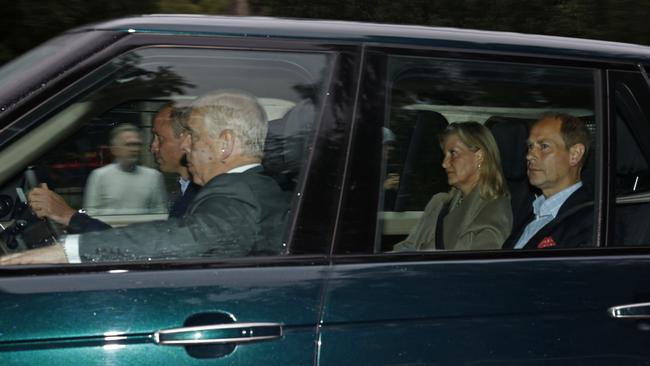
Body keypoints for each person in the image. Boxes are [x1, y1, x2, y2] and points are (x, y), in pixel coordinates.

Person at [1, 90, 289, 264]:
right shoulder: (252, 186)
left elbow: (191, 238)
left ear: (225, 144)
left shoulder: (239, 193)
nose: (186, 146)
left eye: (194, 136)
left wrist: (66, 252)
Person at [28, 104, 200, 233]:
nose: (152, 147)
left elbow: (150, 247)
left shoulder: (199, 198)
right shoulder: (186, 191)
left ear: (186, 141)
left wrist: (68, 216)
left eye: (160, 139)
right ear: (115, 149)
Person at [393, 122, 512, 251]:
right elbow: (407, 248)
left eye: (453, 153)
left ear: (479, 157)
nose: (444, 164)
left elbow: (478, 267)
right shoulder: (439, 203)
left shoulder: (494, 210)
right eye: (445, 155)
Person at [502, 113, 593, 249]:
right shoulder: (530, 210)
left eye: (544, 146)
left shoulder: (590, 219)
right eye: (530, 147)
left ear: (575, 154)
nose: (529, 156)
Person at [83, 123, 168, 215]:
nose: (134, 149)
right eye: (129, 144)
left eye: (137, 144)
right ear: (115, 149)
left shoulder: (154, 176)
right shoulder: (100, 176)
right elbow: (91, 214)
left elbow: (161, 213)